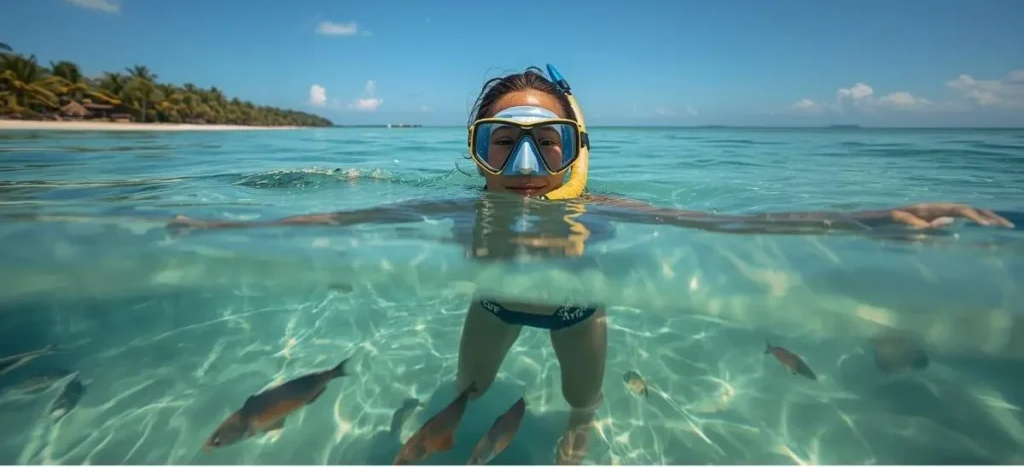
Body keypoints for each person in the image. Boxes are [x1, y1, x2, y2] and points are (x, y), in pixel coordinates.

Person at [168, 64, 1013, 464]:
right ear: (476, 156)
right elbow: (348, 213)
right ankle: (464, 418)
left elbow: (732, 223)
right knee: (467, 388)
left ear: (578, 149)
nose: (526, 169)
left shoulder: (605, 209)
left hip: (579, 316)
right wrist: (218, 226)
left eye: (551, 143)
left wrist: (865, 218)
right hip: (495, 307)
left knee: (582, 402)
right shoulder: (462, 209)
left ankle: (576, 429)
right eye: (504, 144)